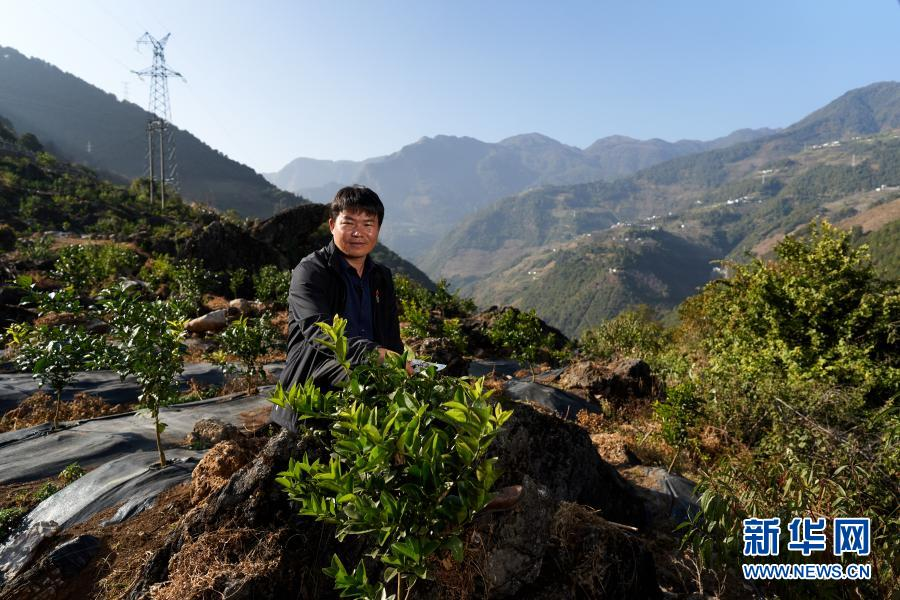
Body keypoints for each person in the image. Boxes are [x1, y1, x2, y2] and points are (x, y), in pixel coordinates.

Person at [271, 185, 408, 432]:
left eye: (368, 224)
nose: (359, 232)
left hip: (369, 374)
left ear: (377, 230)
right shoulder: (311, 271)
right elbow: (318, 331)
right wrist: (374, 355)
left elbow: (391, 337)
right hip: (314, 382)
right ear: (332, 225)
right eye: (349, 223)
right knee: (367, 378)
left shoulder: (381, 276)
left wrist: (402, 363)